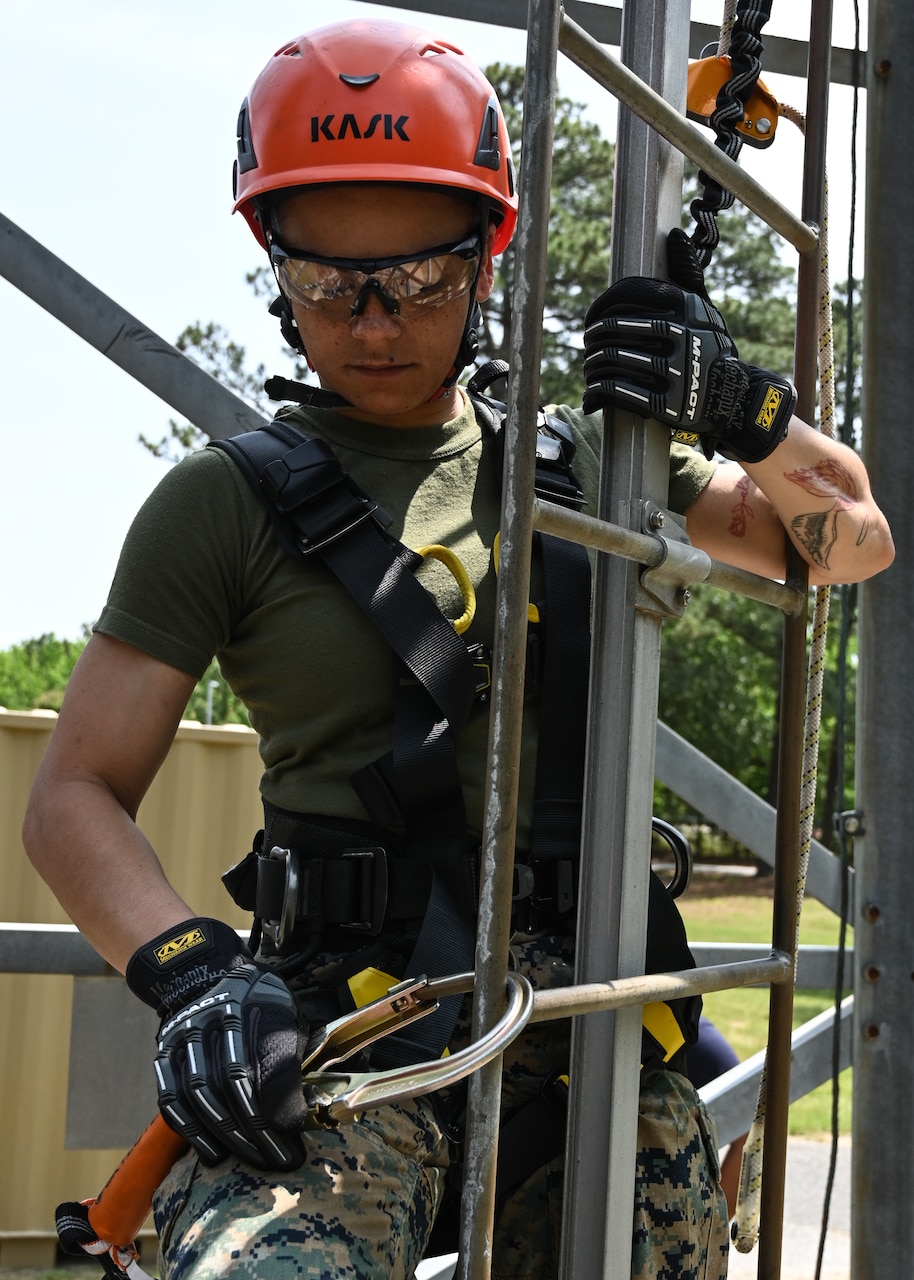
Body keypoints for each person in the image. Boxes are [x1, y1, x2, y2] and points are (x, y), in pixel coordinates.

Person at [23, 18, 893, 1280]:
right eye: (330, 282)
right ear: (273, 263)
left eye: (416, 281)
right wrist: (193, 971)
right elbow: (74, 791)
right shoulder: (221, 504)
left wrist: (738, 407)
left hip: (588, 1010)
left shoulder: (592, 463)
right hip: (348, 1006)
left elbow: (849, 541)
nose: (373, 321)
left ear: (485, 256)